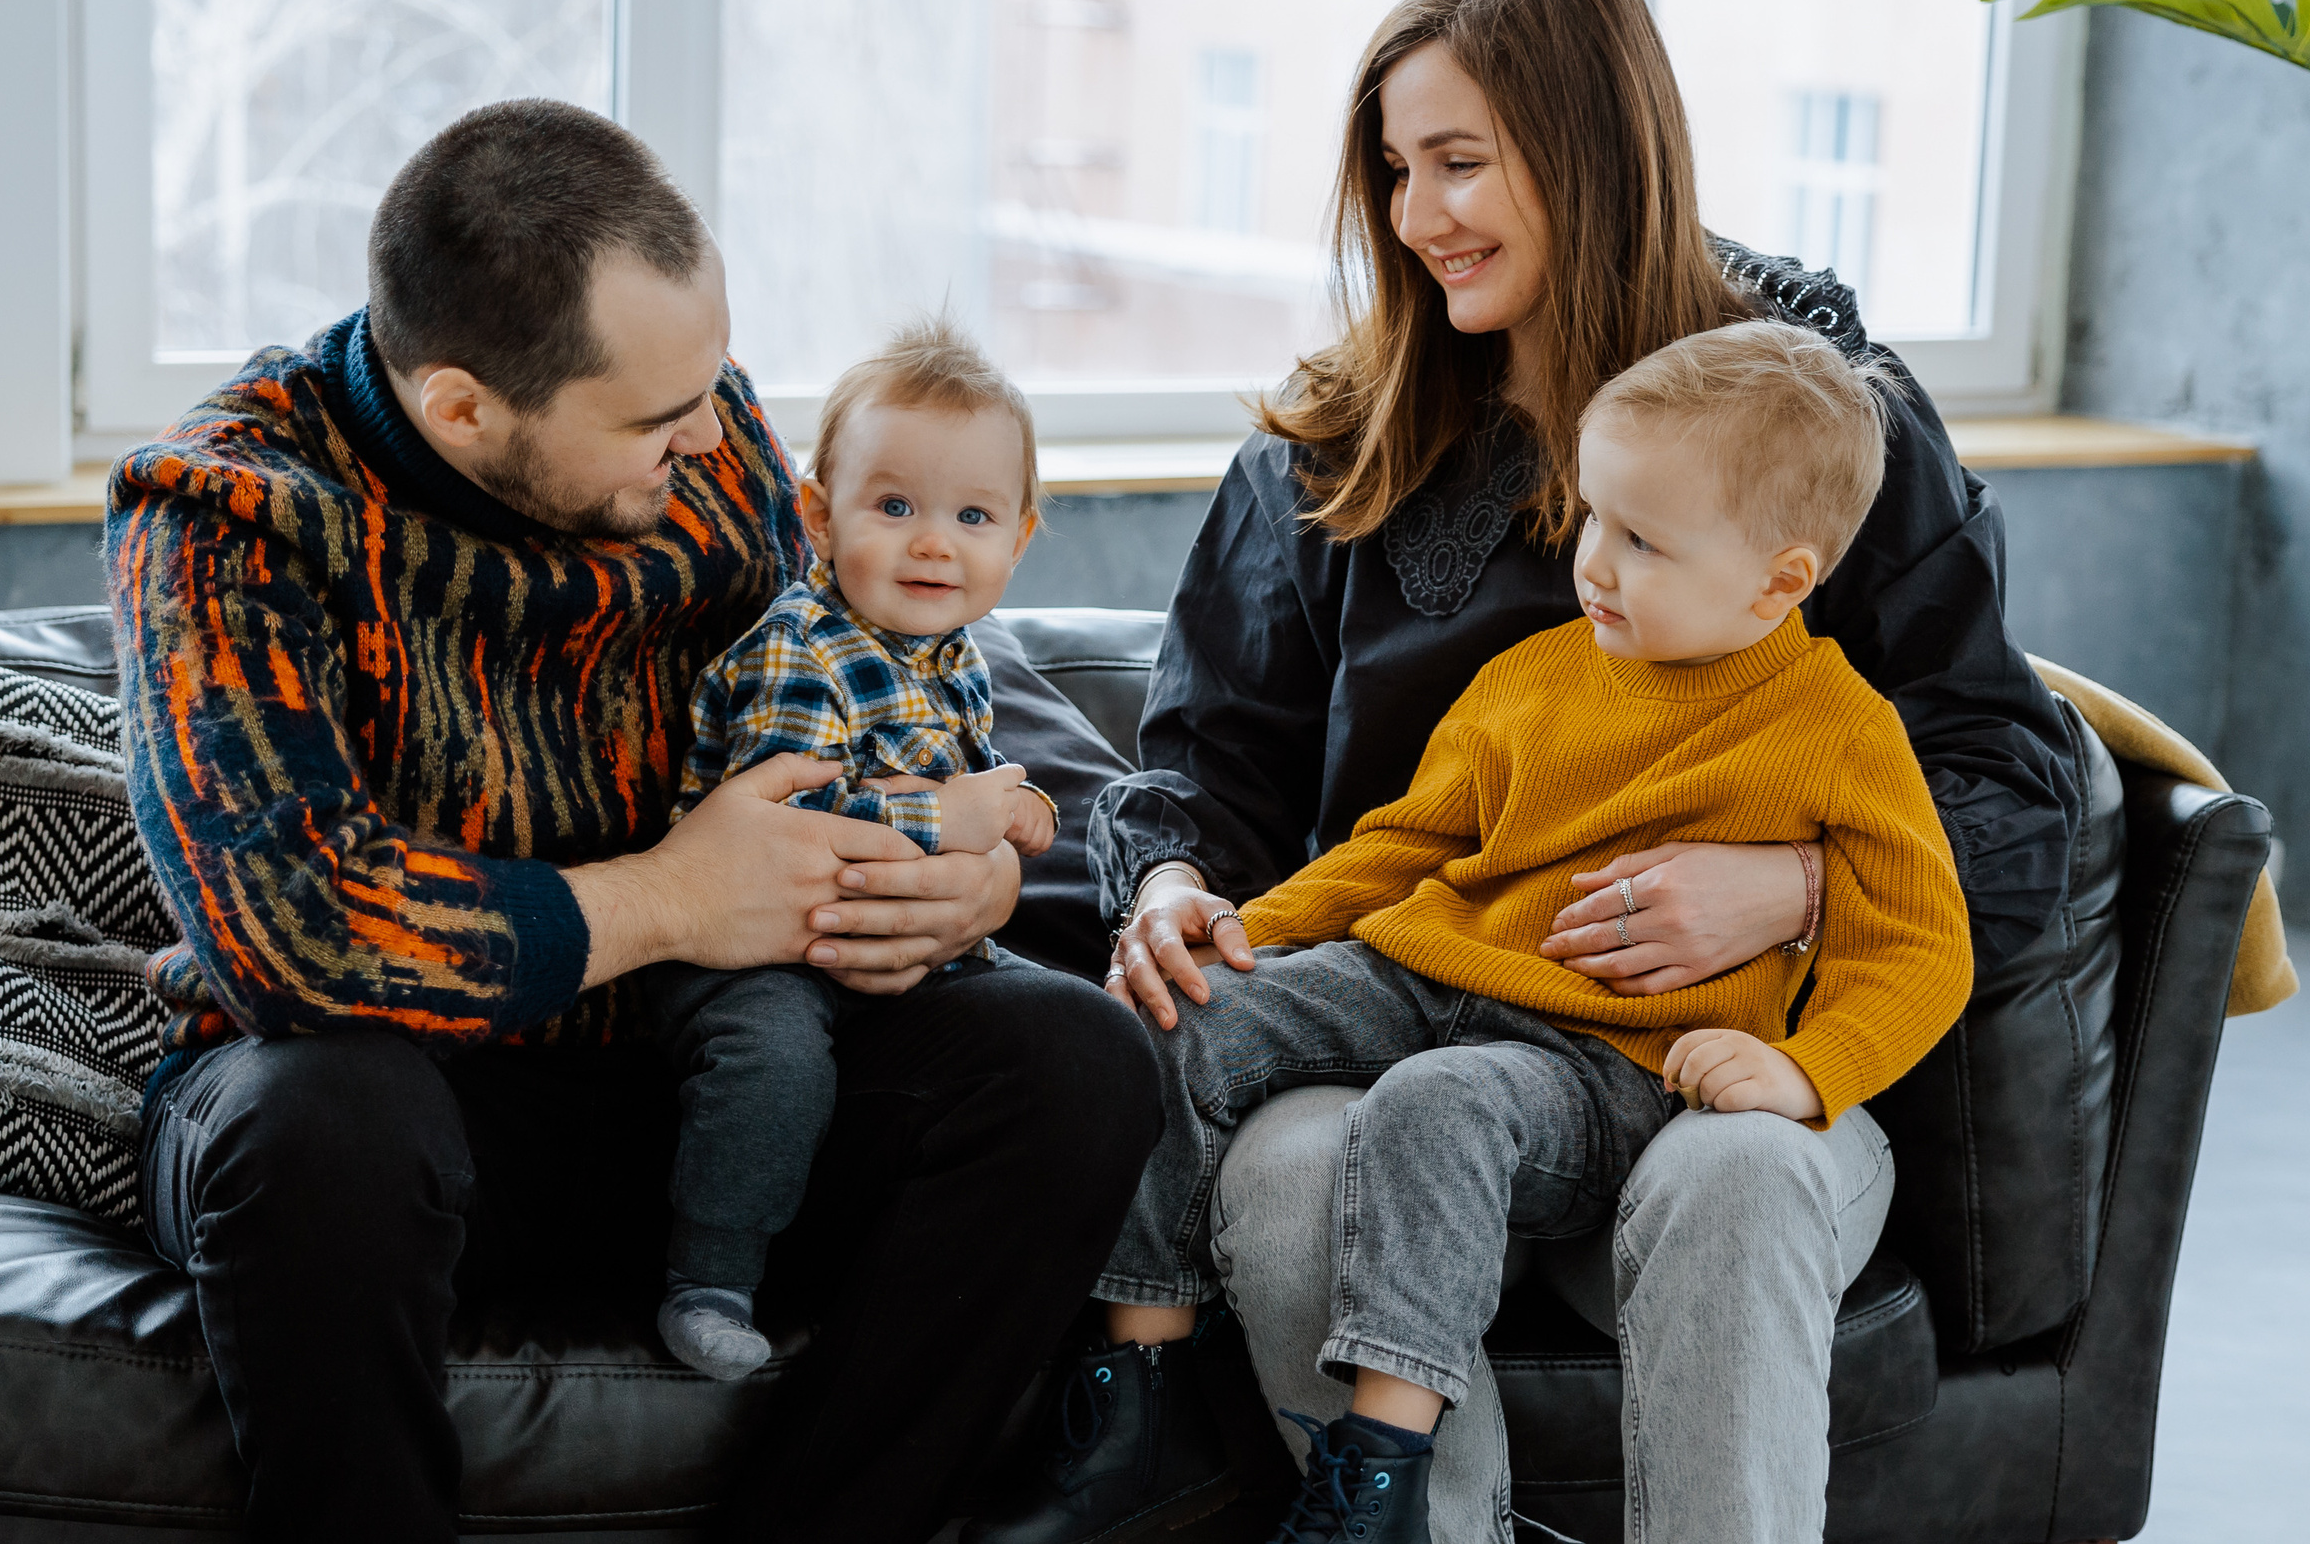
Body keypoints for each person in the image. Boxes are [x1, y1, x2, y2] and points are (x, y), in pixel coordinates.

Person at [1062, 0, 2081, 1544]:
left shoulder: (1809, 419)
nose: (1416, 217)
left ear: (1592, 150)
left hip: (1727, 1059)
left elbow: (2020, 782)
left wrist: (1794, 891)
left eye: (1461, 163)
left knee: (1734, 1176)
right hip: (1413, 1050)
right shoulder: (1329, 450)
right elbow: (1212, 766)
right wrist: (1174, 877)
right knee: (1290, 1165)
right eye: (1396, 171)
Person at [107, 98, 1159, 1544]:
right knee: (322, 1116)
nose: (713, 437)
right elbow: (289, 930)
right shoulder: (232, 508)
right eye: (657, 420)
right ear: (466, 406)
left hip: (708, 1071)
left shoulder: (707, 436)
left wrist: (969, 876)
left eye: (714, 388)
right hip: (400, 1113)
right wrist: (670, 895)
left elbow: (879, 673)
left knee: (1076, 1063)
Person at [969, 319, 1975, 1544]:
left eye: (1643, 540)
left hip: (1605, 1056)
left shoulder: (1838, 733)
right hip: (1423, 969)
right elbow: (1405, 848)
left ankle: (1382, 1470)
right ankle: (1138, 1384)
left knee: (1433, 1101)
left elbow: (1922, 947)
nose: (1595, 562)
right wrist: (1240, 927)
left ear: (1780, 578)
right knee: (1173, 1010)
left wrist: (1806, 1068)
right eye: (1593, 517)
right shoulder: (1534, 673)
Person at [651, 318, 1060, 1379]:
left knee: (1067, 1031)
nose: (934, 542)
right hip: (754, 949)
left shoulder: (952, 653)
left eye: (972, 516)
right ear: (819, 516)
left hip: (887, 945)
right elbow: (790, 822)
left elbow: (965, 774)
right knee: (770, 1059)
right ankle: (710, 1277)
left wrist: (1014, 819)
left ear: (1017, 540)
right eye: (895, 506)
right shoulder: (802, 640)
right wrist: (955, 820)